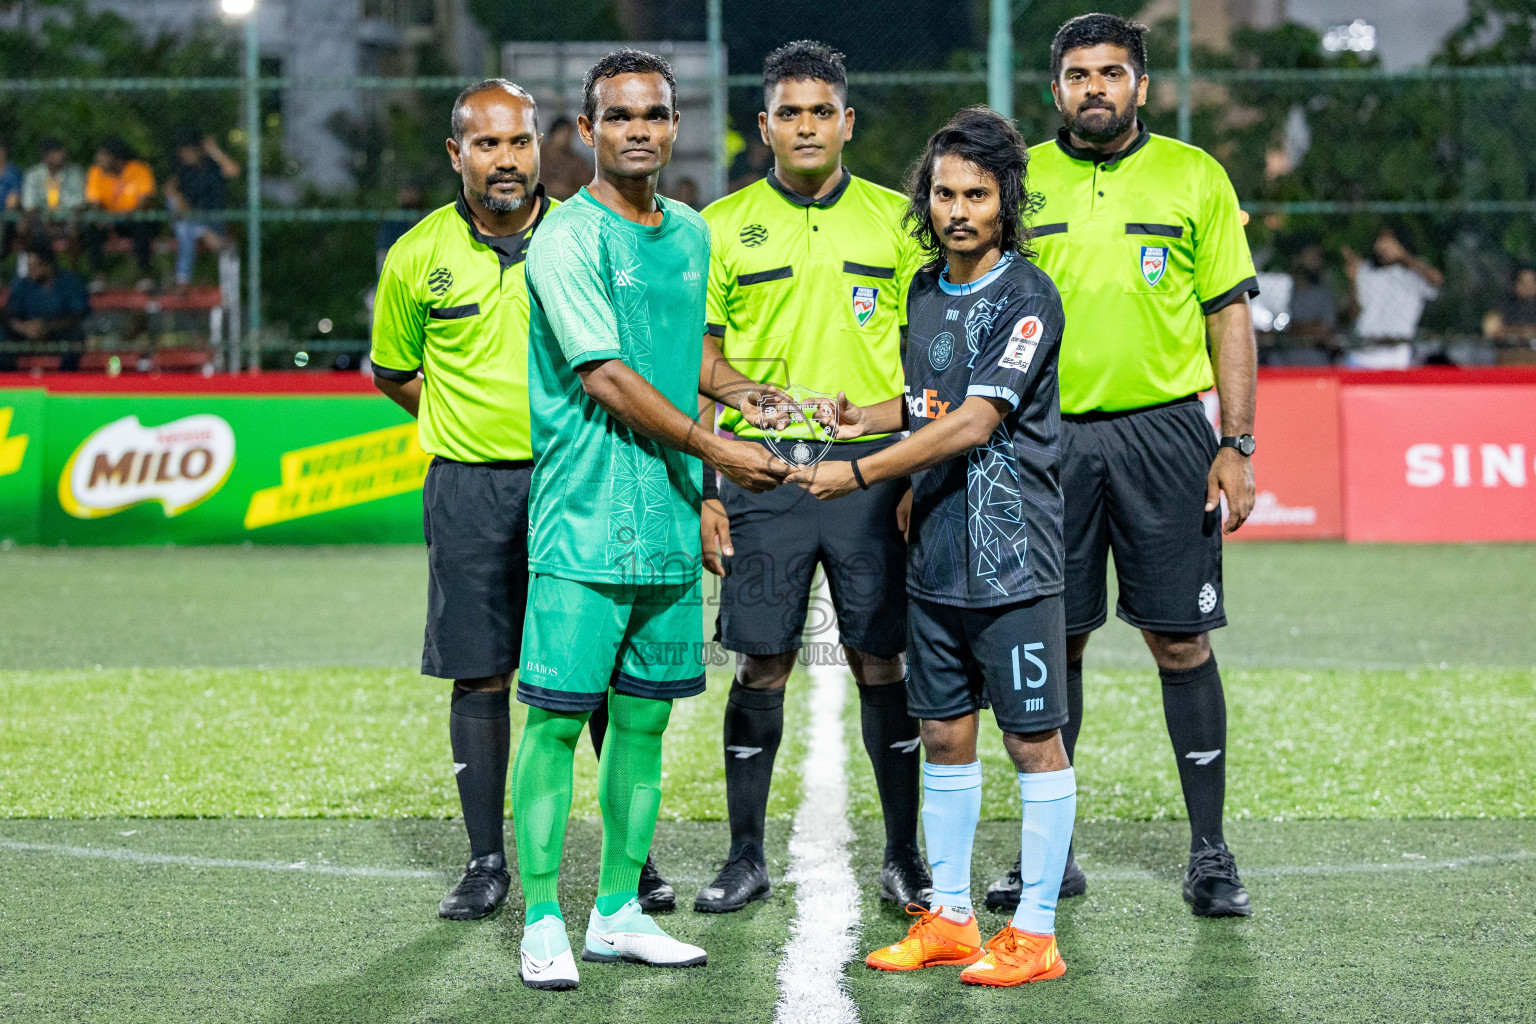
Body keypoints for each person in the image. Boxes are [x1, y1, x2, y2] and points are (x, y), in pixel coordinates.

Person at [512, 48, 789, 991]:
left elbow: (680, 364)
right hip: (584, 523)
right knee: (553, 725)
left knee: (642, 729)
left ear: (675, 127)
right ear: (586, 133)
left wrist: (744, 396)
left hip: (668, 523)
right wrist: (719, 453)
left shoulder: (691, 234)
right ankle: (542, 916)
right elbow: (609, 376)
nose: (639, 130)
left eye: (656, 115)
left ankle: (618, 912)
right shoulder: (565, 239)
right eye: (619, 116)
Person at [789, 106, 1076, 988]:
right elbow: (927, 409)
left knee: (1035, 740)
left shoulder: (1028, 295)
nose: (958, 210)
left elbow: (980, 420)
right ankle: (951, 916)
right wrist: (849, 415)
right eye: (945, 193)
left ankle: (1034, 931)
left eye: (978, 195)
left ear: (1005, 202)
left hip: (1012, 558)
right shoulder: (922, 288)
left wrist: (863, 470)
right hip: (938, 558)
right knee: (943, 732)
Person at [984, 13, 1259, 919]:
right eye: (1076, 74)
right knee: (1053, 644)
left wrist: (1237, 441)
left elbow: (1228, 317)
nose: (1093, 87)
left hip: (1167, 437)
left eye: (1110, 73)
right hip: (1043, 437)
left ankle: (1211, 853)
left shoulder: (1195, 175)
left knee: (1180, 639)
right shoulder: (1016, 180)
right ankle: (1049, 855)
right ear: (1054, 88)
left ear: (1140, 84)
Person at [692, 39, 930, 915]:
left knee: (881, 661)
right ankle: (745, 856)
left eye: (820, 111)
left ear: (847, 122)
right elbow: (700, 362)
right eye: (788, 112)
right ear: (763, 126)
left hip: (872, 476)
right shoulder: (716, 227)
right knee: (762, 663)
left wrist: (911, 475)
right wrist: (710, 488)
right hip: (763, 477)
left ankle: (903, 855)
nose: (804, 125)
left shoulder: (903, 220)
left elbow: (927, 354)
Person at [369, 78, 556, 924]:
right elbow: (394, 373)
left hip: (573, 480)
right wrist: (464, 421)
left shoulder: (587, 239)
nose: (505, 159)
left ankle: (638, 862)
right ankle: (487, 864)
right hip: (467, 487)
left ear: (540, 145)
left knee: (590, 669)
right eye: (487, 144)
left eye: (518, 141)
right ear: (458, 155)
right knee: (480, 675)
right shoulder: (417, 255)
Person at [1342, 228, 1442, 369]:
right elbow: (1353, 314)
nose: (1380, 246)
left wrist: (1404, 256)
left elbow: (1436, 280)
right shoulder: (1366, 271)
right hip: (1361, 355)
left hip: (1395, 358)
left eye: (1387, 242)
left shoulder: (1414, 273)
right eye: (1380, 241)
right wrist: (1353, 281)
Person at [164, 130, 240, 288]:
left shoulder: (213, 166)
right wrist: (179, 200)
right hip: (190, 219)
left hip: (213, 219)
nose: (185, 155)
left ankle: (182, 279)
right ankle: (183, 279)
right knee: (182, 222)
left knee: (185, 229)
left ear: (199, 150)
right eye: (182, 152)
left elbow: (234, 171)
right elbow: (170, 191)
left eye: (189, 151)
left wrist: (214, 151)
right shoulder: (181, 169)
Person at [83, 137, 158, 283]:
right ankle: (98, 275)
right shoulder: (96, 172)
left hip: (133, 220)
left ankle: (145, 274)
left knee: (141, 224)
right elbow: (94, 203)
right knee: (91, 227)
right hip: (110, 222)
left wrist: (122, 216)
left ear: (115, 157)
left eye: (103, 155)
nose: (99, 159)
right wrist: (102, 217)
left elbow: (143, 204)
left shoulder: (138, 170)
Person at [5, 245, 89, 370]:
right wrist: (24, 328)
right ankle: (8, 381)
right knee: (3, 336)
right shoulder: (24, 284)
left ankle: (65, 382)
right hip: (27, 333)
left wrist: (47, 327)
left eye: (33, 267)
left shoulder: (68, 282)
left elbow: (77, 314)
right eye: (28, 268)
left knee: (76, 338)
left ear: (47, 266)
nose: (30, 272)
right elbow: (10, 313)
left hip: (57, 332)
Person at [20, 139, 86, 256]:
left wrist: (65, 221)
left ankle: (73, 269)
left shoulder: (74, 173)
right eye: (57, 152)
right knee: (23, 228)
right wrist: (45, 223)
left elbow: (78, 203)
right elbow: (30, 205)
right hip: (42, 221)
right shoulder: (33, 175)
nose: (62, 155)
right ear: (46, 156)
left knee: (74, 229)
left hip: (68, 221)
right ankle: (31, 263)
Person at [373, 184, 428, 273]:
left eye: (413, 191)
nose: (410, 195)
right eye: (406, 190)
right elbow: (383, 257)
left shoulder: (429, 219)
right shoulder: (391, 223)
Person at [537, 116, 589, 201]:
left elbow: (586, 187)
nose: (567, 138)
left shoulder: (576, 161)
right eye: (563, 133)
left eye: (570, 134)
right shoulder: (538, 156)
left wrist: (568, 191)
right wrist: (548, 189)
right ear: (554, 133)